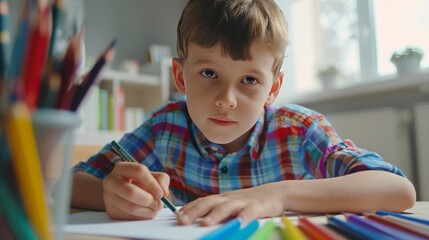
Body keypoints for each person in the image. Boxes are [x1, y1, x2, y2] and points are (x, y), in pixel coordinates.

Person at [71, 0, 416, 226]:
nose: (227, 99)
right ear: (180, 77)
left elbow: (398, 190)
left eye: (250, 79)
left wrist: (276, 195)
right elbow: (69, 183)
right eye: (209, 74)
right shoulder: (166, 127)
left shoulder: (298, 131)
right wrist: (110, 194)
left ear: (273, 89)